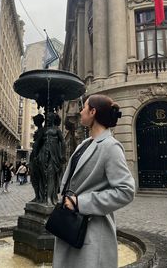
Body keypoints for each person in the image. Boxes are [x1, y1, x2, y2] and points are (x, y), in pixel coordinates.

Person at [52, 94, 135, 268]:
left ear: (93, 112)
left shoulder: (111, 146)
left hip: (91, 231)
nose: (81, 111)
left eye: (84, 107)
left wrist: (80, 202)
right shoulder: (85, 144)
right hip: (69, 224)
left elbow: (126, 190)